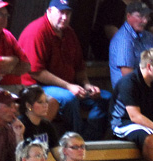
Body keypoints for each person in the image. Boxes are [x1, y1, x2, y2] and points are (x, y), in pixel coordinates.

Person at [19, 0, 110, 140]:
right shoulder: (37, 31)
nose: (65, 17)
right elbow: (36, 72)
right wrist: (68, 86)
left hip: (68, 86)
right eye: (61, 12)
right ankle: (76, 140)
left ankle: (90, 139)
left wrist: (87, 85)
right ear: (49, 11)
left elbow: (79, 67)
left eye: (68, 13)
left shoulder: (69, 33)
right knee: (69, 98)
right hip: (37, 86)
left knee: (105, 98)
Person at [106, 1, 153, 88]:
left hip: (150, 85)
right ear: (128, 16)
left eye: (147, 17)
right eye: (140, 16)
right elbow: (128, 77)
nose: (144, 21)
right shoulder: (123, 40)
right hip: (131, 91)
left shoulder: (149, 36)